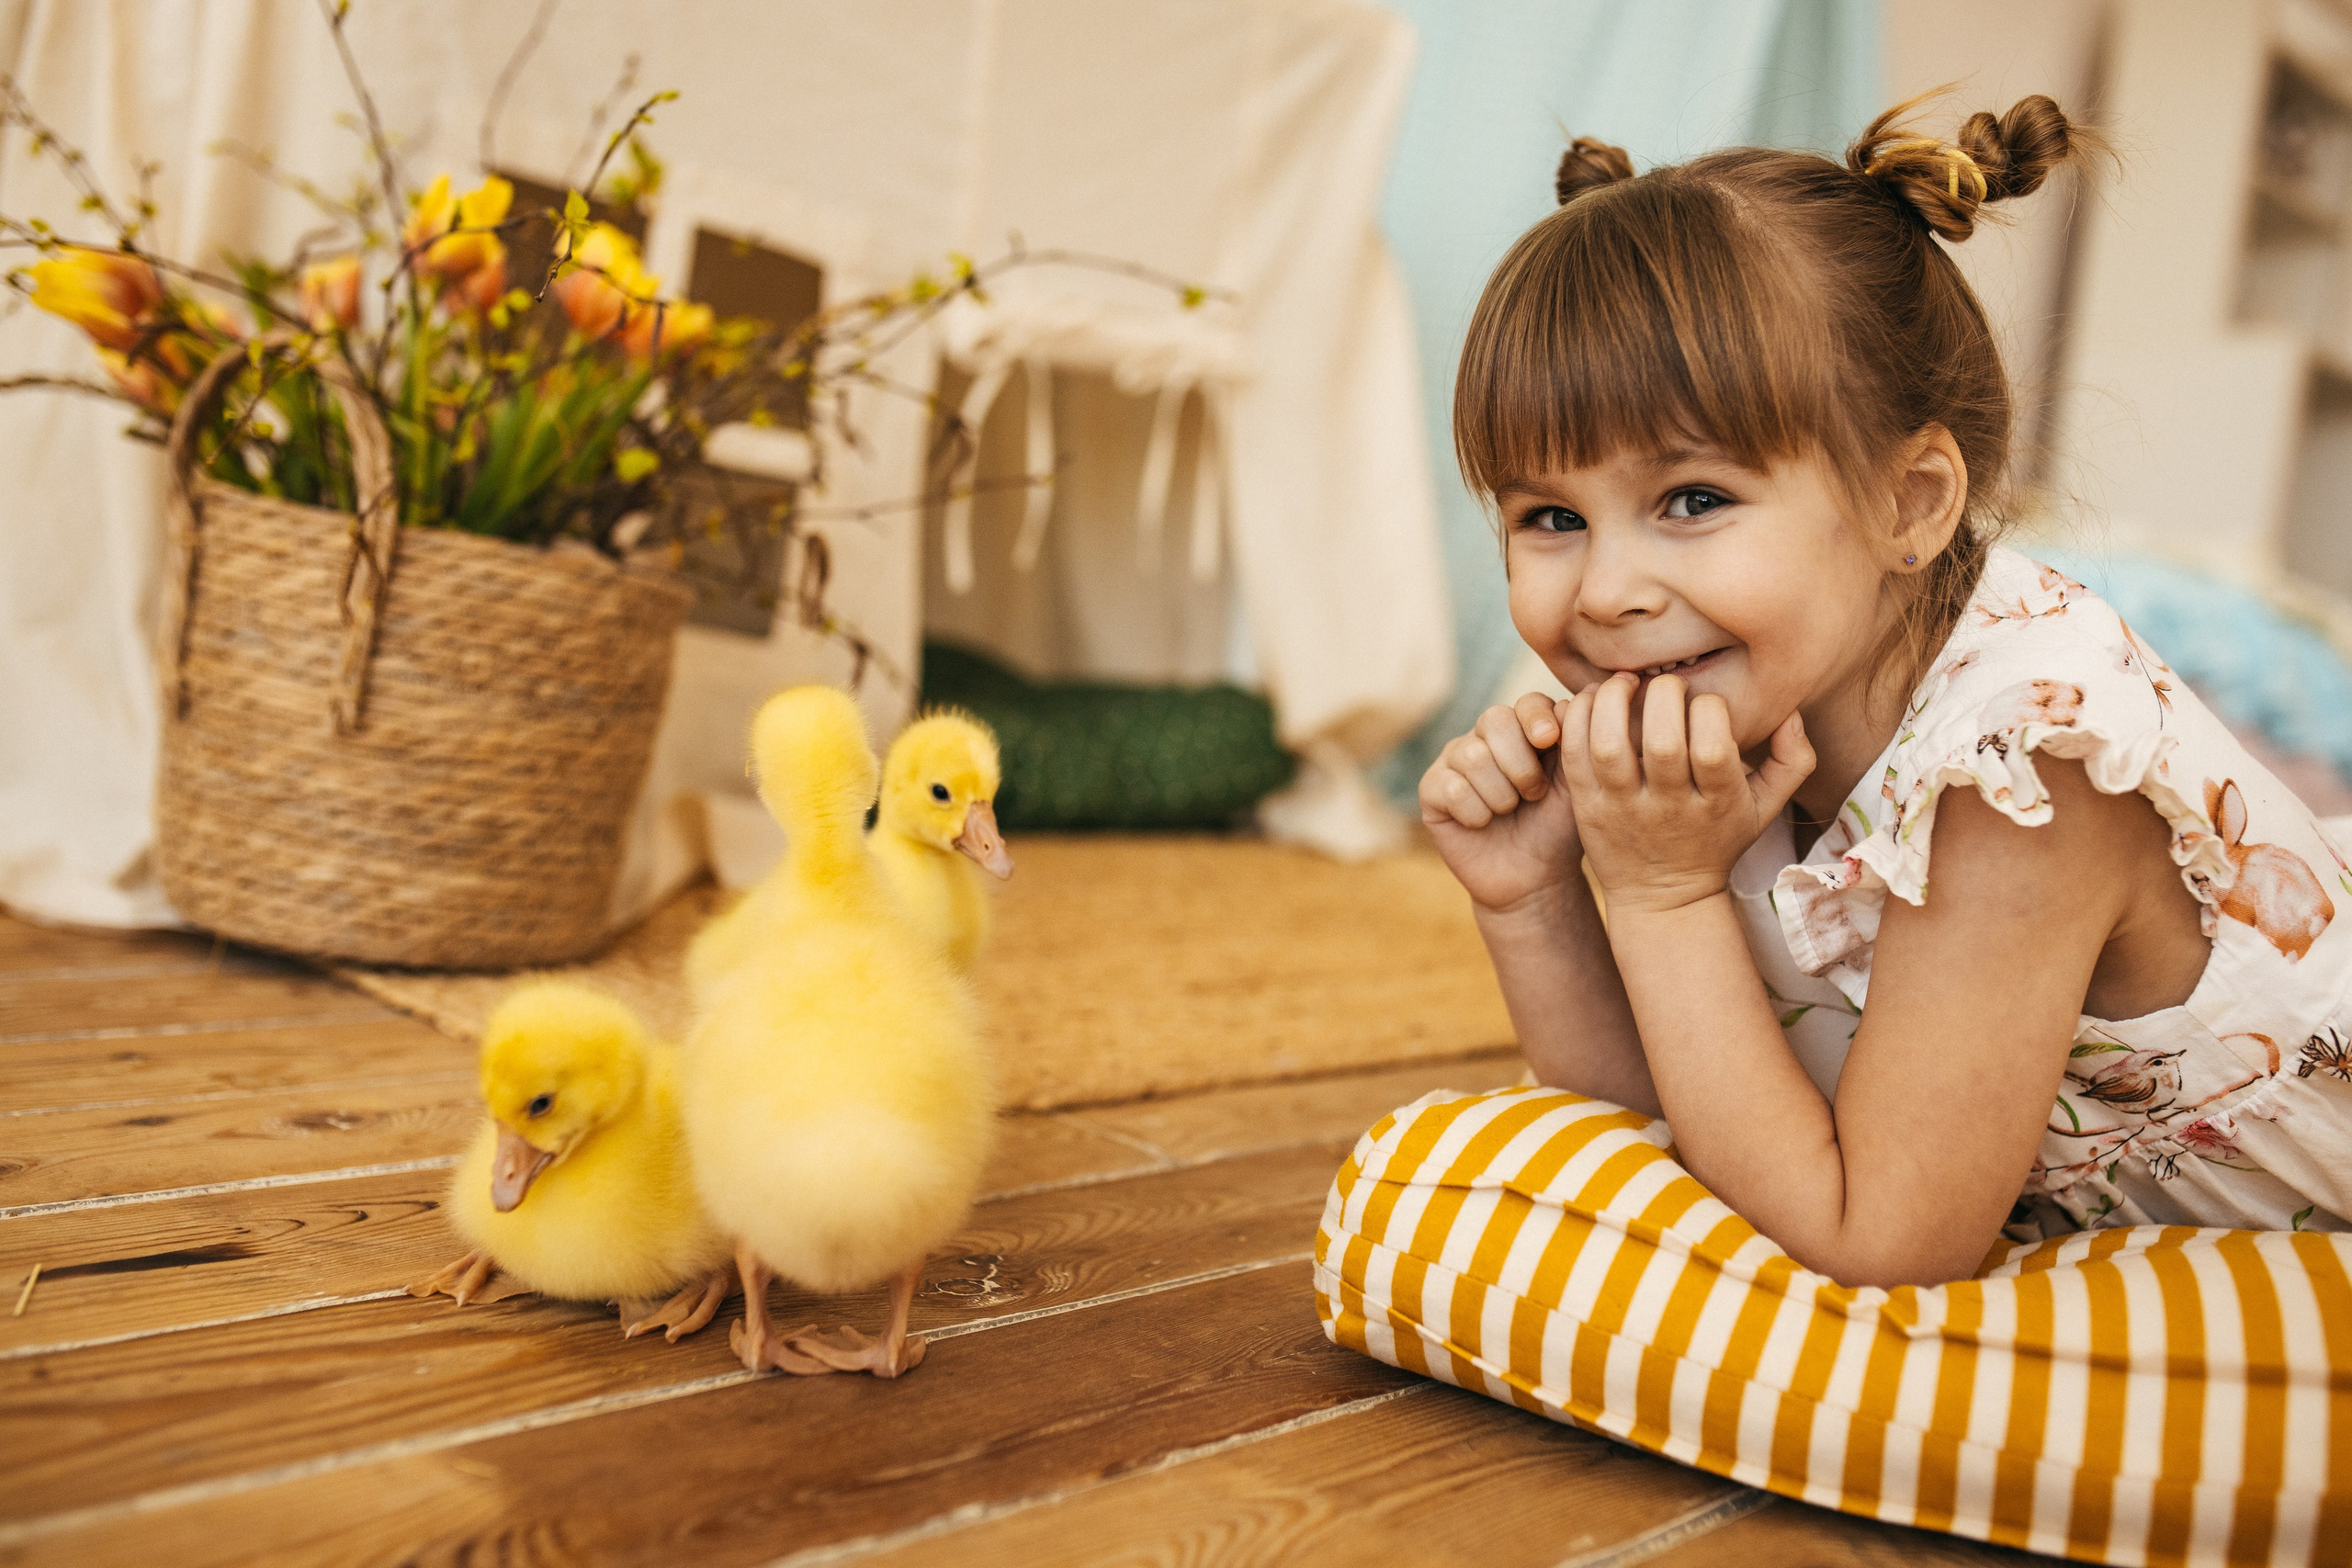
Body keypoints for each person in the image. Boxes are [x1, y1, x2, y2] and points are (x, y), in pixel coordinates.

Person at [1412, 93, 2351, 1290]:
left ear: (1910, 505)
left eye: (1691, 500)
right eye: (1549, 517)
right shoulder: (1750, 716)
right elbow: (1667, 1147)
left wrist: (1661, 895)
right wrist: (1535, 901)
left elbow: (1879, 1244)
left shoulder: (2023, 786)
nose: (1604, 591)